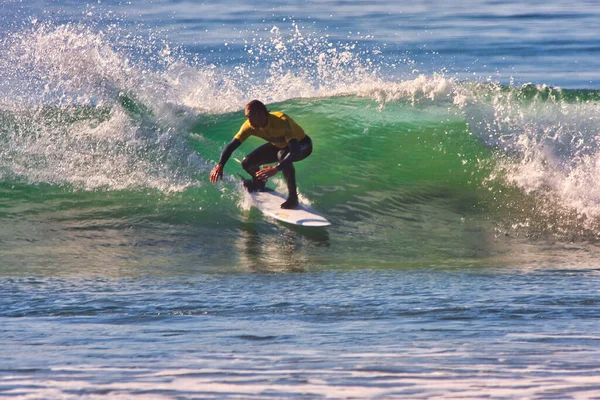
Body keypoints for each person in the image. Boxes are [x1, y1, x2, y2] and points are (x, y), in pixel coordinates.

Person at [209, 100, 313, 209]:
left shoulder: (281, 121)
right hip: (279, 145)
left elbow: (294, 151)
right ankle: (258, 183)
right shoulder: (249, 126)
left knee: (282, 155)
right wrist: (220, 165)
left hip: (302, 145)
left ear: (260, 114)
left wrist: (276, 168)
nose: (248, 120)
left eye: (250, 116)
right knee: (247, 162)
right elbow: (232, 145)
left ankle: (293, 198)